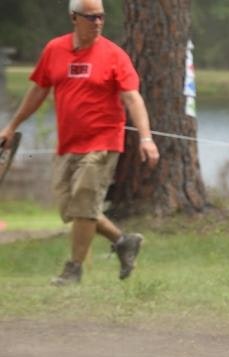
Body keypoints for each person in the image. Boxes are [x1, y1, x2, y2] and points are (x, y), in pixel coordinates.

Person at [0, 0, 158, 286]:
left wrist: (146, 138)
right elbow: (38, 91)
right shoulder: (55, 50)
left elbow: (133, 98)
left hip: (103, 141)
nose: (98, 22)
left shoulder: (114, 55)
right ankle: (123, 241)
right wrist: (12, 126)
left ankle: (73, 270)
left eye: (101, 17)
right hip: (68, 143)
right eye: (91, 17)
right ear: (74, 18)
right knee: (70, 208)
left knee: (84, 200)